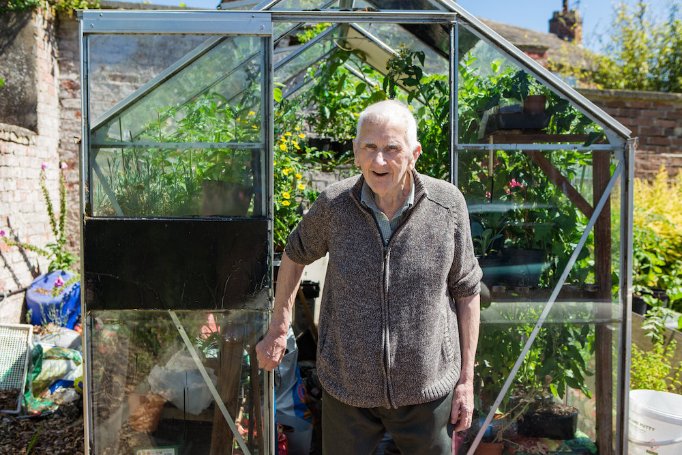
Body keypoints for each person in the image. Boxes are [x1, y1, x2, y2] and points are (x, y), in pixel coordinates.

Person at [256, 100, 482, 455]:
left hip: (426, 390)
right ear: (356, 153)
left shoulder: (447, 205)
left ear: (414, 154)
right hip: (348, 389)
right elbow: (294, 254)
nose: (379, 162)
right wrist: (278, 329)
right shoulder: (334, 204)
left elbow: (467, 290)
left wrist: (466, 381)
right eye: (370, 148)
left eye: (392, 149)